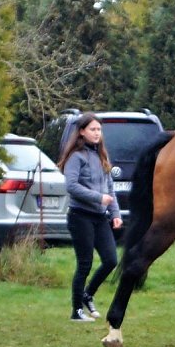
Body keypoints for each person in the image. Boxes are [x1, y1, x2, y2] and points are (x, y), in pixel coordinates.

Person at [57, 113, 122, 323]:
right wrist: (97, 197)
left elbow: (110, 189)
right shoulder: (76, 156)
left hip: (100, 217)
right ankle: (76, 311)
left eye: (99, 130)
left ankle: (88, 294)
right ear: (82, 131)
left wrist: (115, 214)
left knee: (111, 260)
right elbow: (72, 186)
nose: (97, 134)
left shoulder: (101, 155)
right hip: (80, 217)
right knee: (84, 263)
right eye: (93, 129)